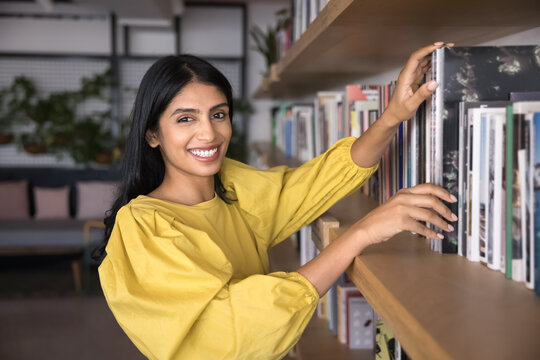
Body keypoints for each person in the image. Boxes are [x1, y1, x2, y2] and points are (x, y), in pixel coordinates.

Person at [94, 42, 457, 360]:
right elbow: (230, 332)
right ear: (153, 135)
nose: (208, 133)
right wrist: (360, 233)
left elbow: (317, 183)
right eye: (185, 118)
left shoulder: (234, 189)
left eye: (218, 114)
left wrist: (394, 114)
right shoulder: (143, 225)